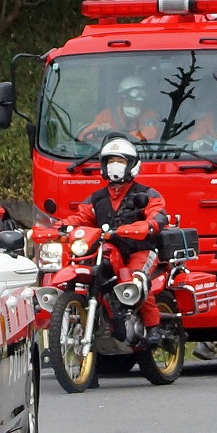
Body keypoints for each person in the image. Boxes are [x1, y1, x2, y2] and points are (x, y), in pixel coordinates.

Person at [59, 134, 169, 348]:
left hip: (141, 249)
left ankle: (154, 327)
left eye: (120, 161)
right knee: (92, 270)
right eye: (110, 161)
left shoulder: (146, 193)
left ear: (132, 165)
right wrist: (60, 227)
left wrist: (147, 225)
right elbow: (81, 218)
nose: (114, 166)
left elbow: (158, 214)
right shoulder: (96, 198)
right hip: (109, 250)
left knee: (136, 281)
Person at [78, 75, 162, 143]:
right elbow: (84, 136)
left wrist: (114, 133)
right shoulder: (107, 115)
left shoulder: (150, 116)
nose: (135, 107)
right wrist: (98, 131)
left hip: (142, 155)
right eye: (130, 102)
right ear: (120, 99)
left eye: (139, 103)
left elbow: (149, 135)